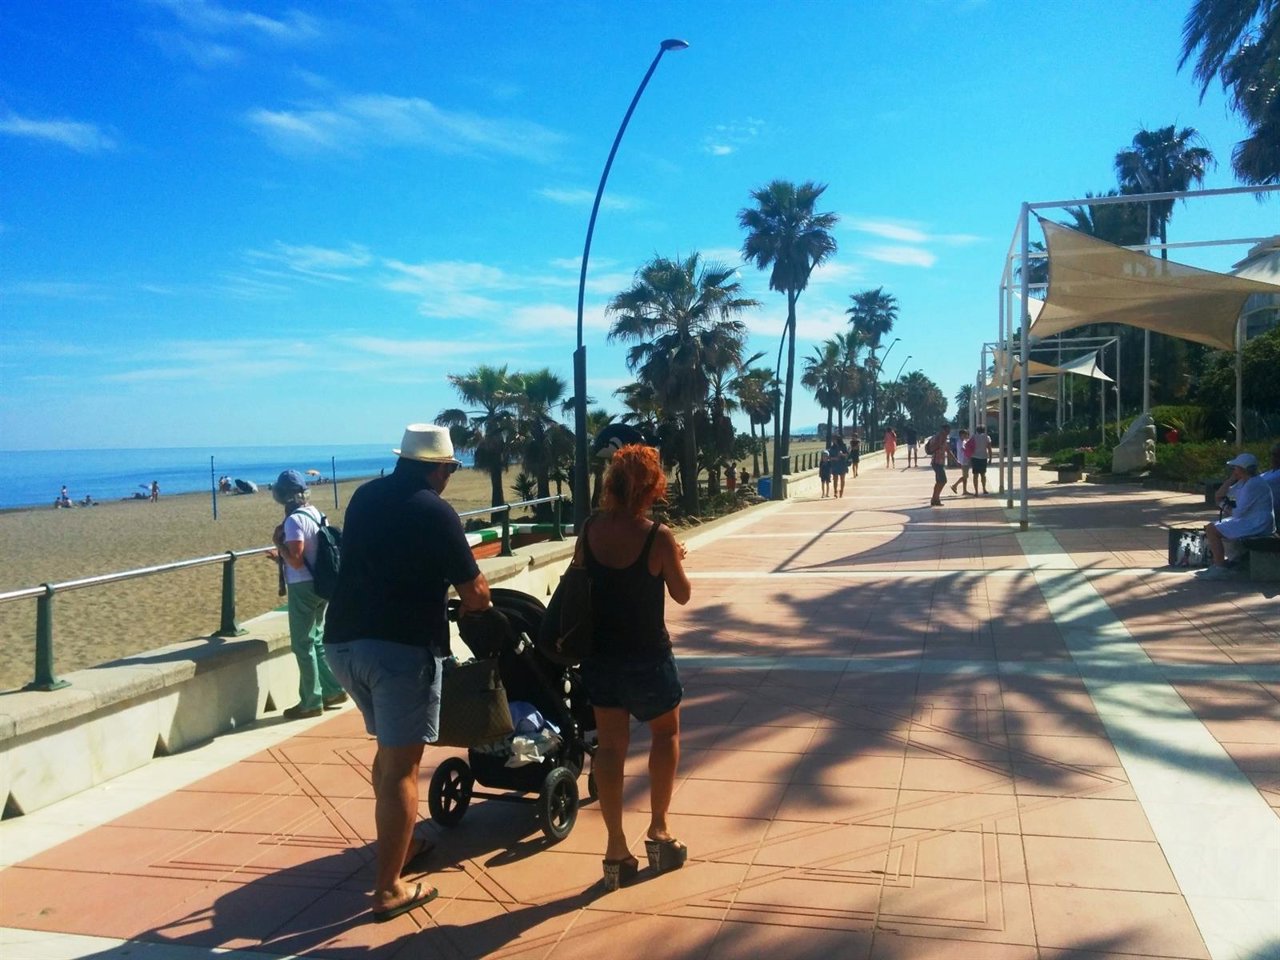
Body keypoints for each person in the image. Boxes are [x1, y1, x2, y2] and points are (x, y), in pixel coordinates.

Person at [323, 424, 493, 923]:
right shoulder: (435, 511)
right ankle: (389, 889)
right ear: (440, 468)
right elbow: (476, 593)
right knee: (402, 766)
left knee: (388, 751)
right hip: (398, 651)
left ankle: (404, 842)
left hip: (342, 644)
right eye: (450, 469)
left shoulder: (364, 497)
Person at [580, 443, 691, 891]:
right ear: (651, 486)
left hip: (600, 660)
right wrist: (675, 558)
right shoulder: (657, 536)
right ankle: (659, 832)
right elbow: (681, 595)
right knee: (665, 734)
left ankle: (614, 850)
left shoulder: (589, 529)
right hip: (647, 657)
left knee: (610, 749)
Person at [266, 470, 347, 721]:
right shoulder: (316, 513)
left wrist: (278, 545)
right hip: (322, 584)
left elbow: (298, 560)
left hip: (303, 586)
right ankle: (333, 689)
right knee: (318, 638)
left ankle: (311, 701)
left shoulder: (293, 522)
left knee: (302, 644)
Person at [1200, 452, 1276, 580]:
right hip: (1250, 520)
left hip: (1258, 523)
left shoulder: (1253, 484)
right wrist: (1230, 480)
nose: (1233, 470)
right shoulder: (1244, 482)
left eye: (1235, 468)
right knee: (1212, 527)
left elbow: (1237, 512)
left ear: (1242, 469)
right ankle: (1221, 564)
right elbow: (1219, 494)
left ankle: (1220, 567)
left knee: (1212, 529)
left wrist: (1223, 505)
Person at [928, 424, 957, 507]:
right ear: (943, 430)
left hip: (940, 462)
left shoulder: (943, 438)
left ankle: (935, 499)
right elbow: (934, 448)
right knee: (943, 480)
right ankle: (935, 498)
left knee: (939, 481)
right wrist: (940, 442)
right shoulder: (938, 437)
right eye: (947, 431)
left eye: (949, 431)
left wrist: (956, 460)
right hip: (936, 462)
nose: (948, 432)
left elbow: (948, 451)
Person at [969, 426, 993, 495]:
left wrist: (969, 457)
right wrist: (990, 458)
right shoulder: (987, 437)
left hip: (975, 457)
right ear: (984, 430)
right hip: (983, 457)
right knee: (983, 475)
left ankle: (976, 491)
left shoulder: (973, 437)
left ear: (977, 430)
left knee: (975, 475)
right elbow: (989, 448)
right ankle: (984, 489)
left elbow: (969, 447)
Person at [950, 429, 973, 496]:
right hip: (963, 460)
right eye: (964, 434)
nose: (966, 435)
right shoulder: (960, 442)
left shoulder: (964, 441)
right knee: (965, 476)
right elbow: (964, 449)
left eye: (966, 434)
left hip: (965, 460)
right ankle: (955, 485)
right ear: (961, 435)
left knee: (965, 476)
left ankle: (964, 490)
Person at [827, 433, 848, 498]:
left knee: (842, 479)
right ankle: (835, 491)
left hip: (842, 464)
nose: (833, 440)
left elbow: (847, 455)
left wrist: (842, 454)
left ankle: (841, 490)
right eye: (832, 439)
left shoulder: (843, 446)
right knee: (835, 479)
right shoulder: (832, 448)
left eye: (834, 439)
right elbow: (829, 457)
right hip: (835, 464)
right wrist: (834, 458)